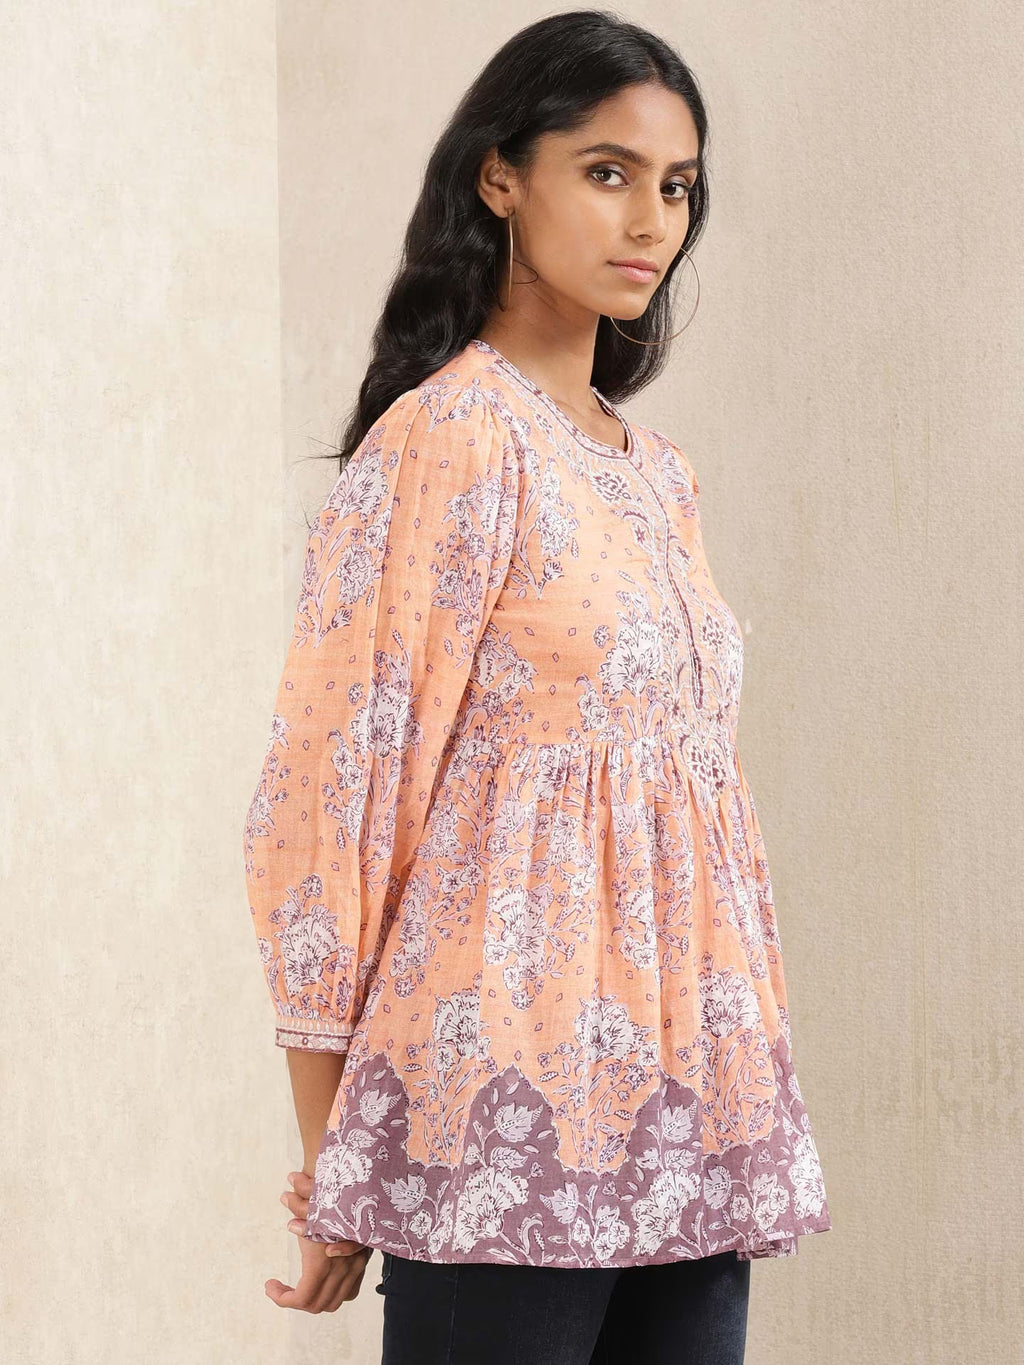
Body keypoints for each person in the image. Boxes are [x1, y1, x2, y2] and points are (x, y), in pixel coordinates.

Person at [242, 10, 832, 1362]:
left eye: (677, 185)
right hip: (497, 1116)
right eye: (608, 172)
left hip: (689, 1115)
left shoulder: (658, 474)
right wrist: (335, 1163)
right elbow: (327, 804)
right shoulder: (448, 439)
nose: (652, 219)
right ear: (500, 176)